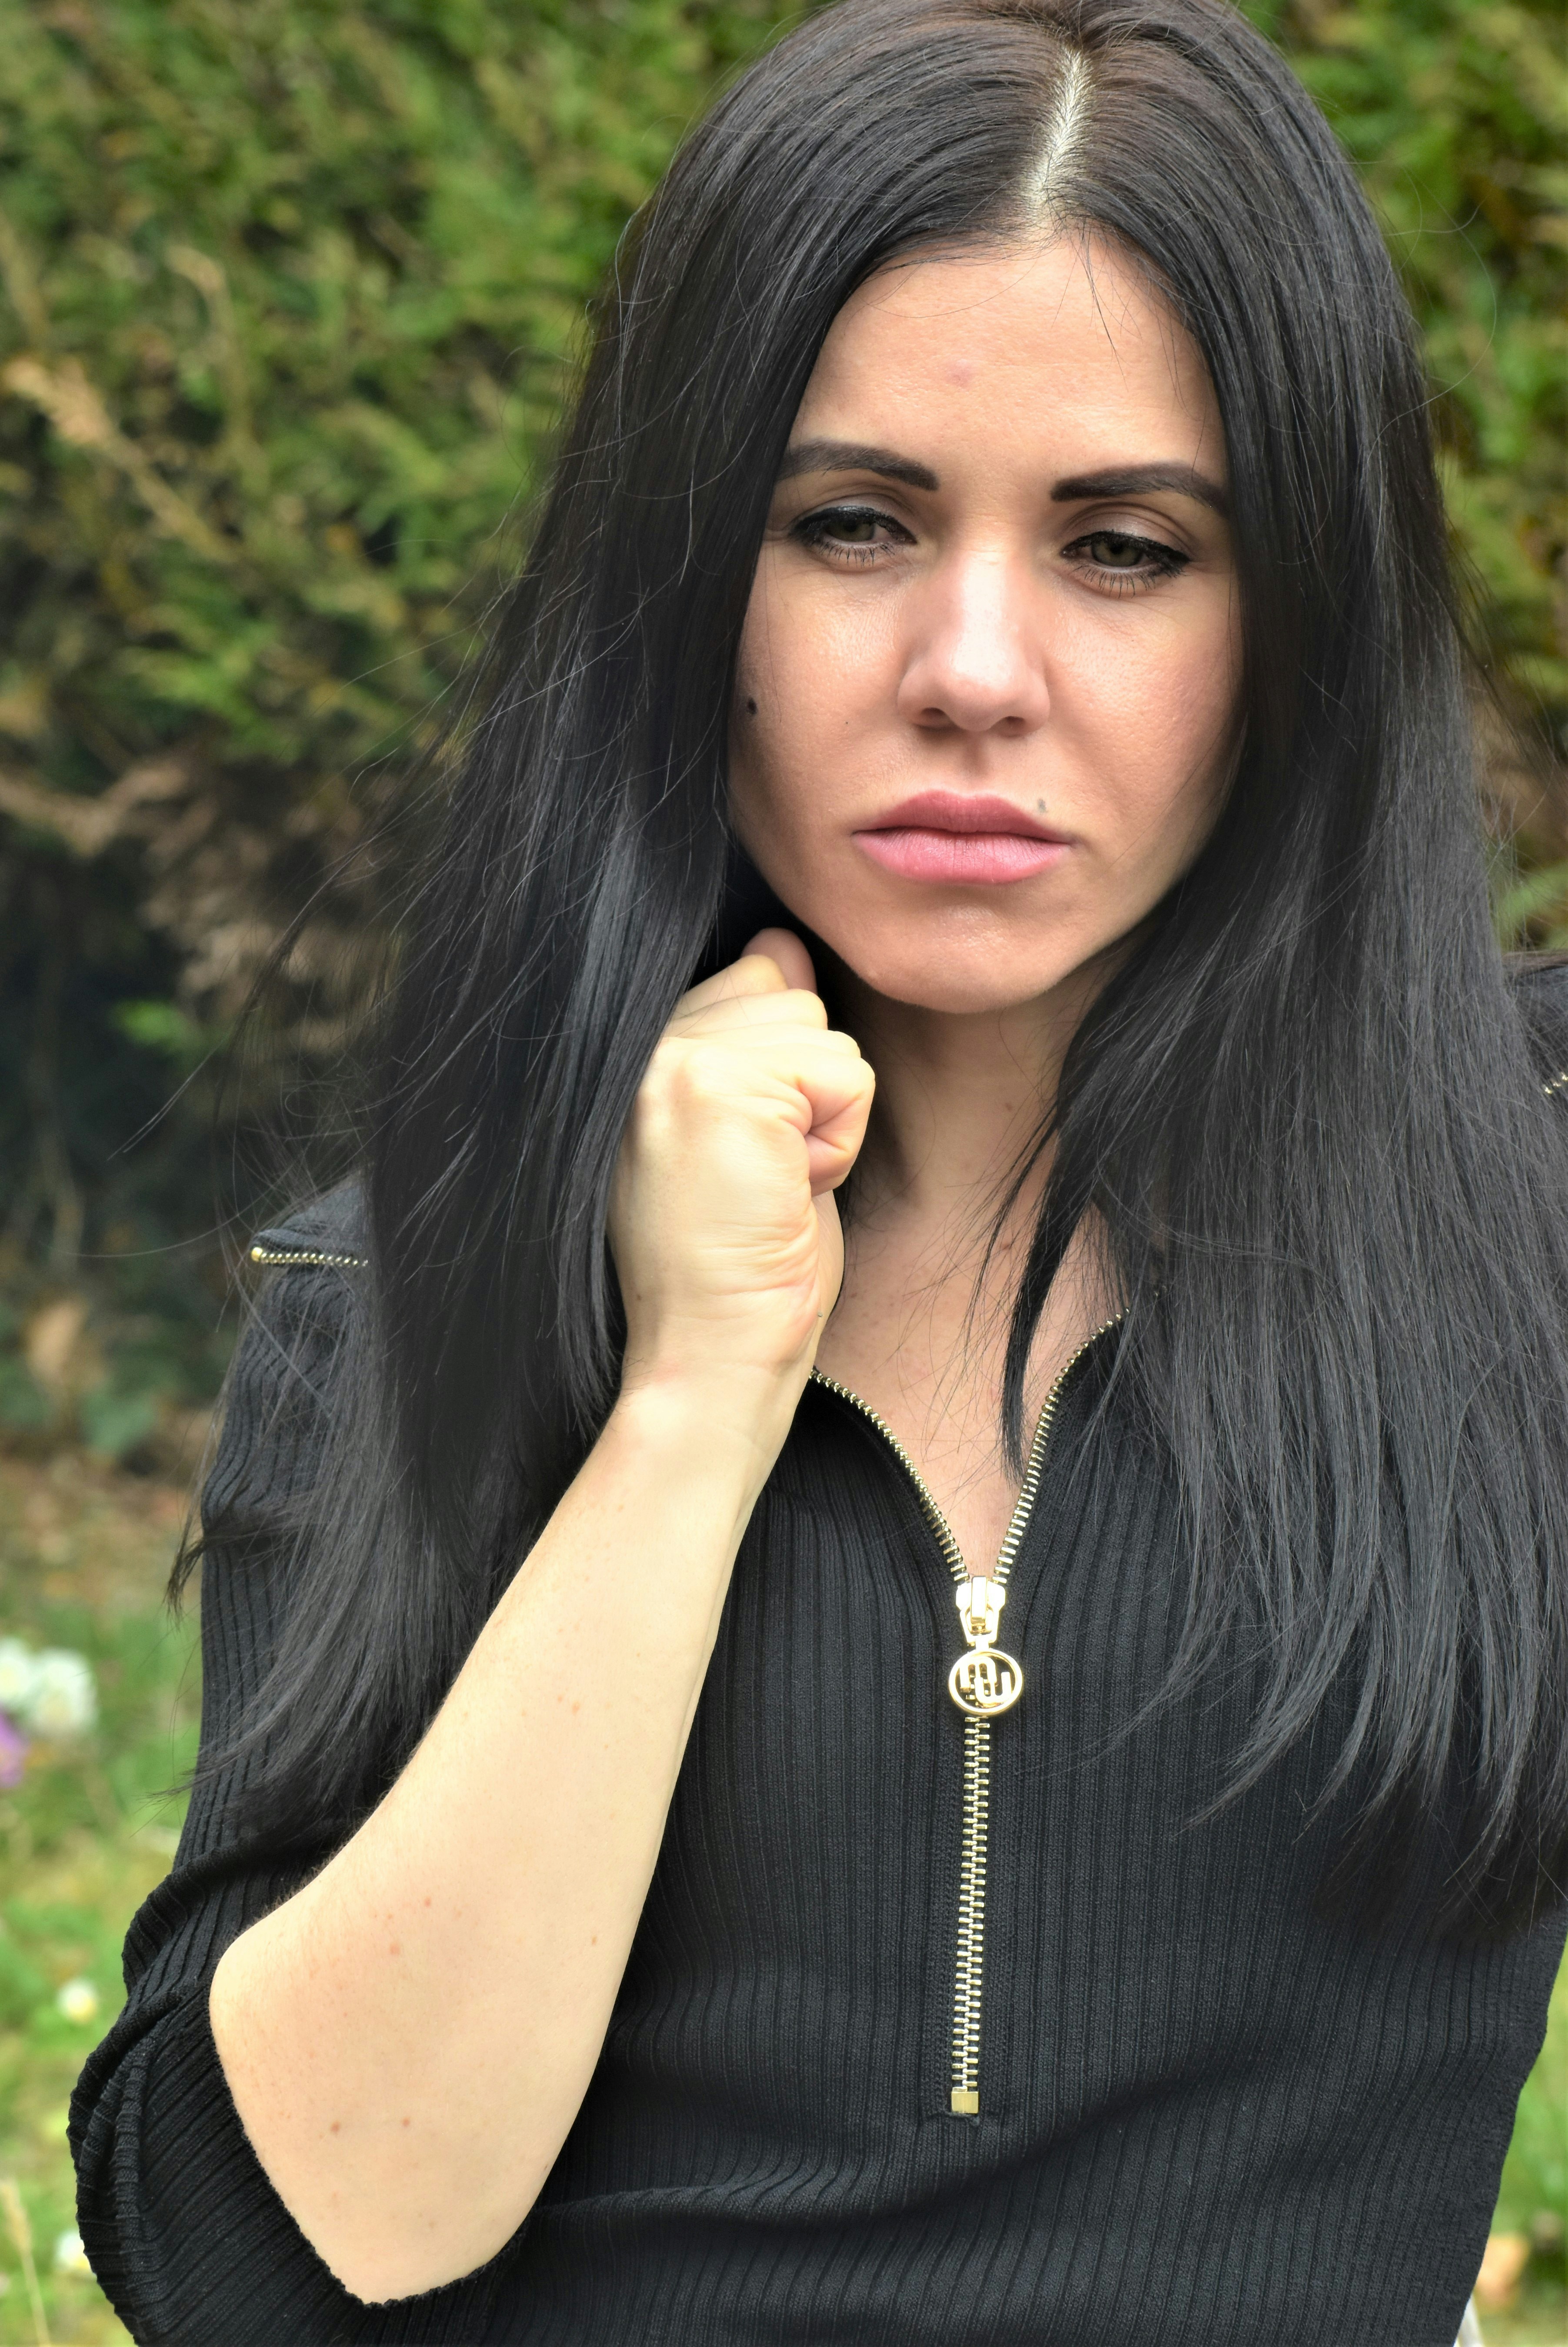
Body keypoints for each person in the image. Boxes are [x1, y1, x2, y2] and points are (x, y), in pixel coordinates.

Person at [70, 0, 1568, 2340]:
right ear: (690, 585)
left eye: (1125, 546)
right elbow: (249, 2256)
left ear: (1298, 619)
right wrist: (693, 1398)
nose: (971, 668)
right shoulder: (425, 1286)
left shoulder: (1515, 1229)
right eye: (850, 523)